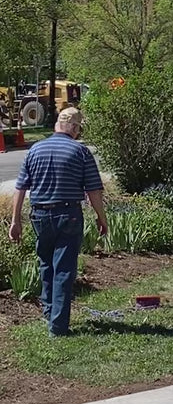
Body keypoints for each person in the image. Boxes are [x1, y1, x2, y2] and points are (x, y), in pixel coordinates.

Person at [8, 106, 108, 337]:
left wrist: (15, 221)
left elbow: (20, 188)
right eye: (78, 129)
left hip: (40, 215)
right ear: (73, 127)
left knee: (46, 264)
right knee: (63, 268)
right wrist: (101, 218)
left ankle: (50, 313)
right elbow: (93, 190)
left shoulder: (35, 149)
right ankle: (58, 327)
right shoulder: (80, 152)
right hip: (68, 214)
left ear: (56, 125)